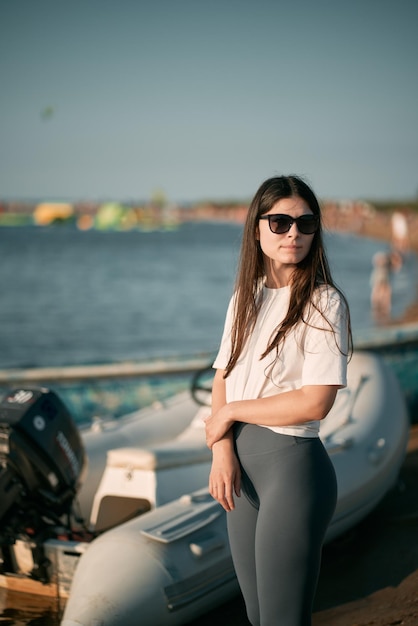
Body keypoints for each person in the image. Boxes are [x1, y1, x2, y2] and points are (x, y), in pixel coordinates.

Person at [205, 175, 352, 626]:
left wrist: (231, 414)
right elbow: (222, 379)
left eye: (306, 223)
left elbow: (315, 402)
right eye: (281, 221)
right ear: (257, 228)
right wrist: (222, 450)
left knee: (283, 619)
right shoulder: (243, 299)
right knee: (256, 615)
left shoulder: (324, 302)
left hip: (293, 471)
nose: (294, 233)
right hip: (240, 476)